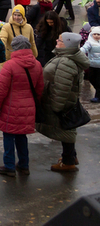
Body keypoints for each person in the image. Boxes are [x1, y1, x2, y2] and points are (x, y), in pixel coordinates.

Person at [36, 33, 90, 172]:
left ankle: (68, 162)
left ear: (67, 44)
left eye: (59, 40)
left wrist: (56, 107)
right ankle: (71, 156)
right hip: (64, 102)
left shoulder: (66, 62)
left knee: (66, 130)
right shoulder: (66, 57)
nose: (56, 40)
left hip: (61, 104)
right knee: (67, 130)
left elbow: (62, 88)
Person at [0, 36, 44, 177]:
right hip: (28, 106)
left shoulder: (9, 65)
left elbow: (1, 90)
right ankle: (23, 165)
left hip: (10, 107)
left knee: (8, 136)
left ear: (14, 48)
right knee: (22, 137)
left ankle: (9, 166)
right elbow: (39, 89)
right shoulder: (37, 64)